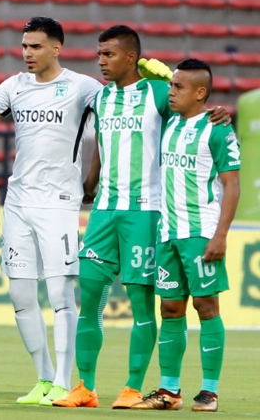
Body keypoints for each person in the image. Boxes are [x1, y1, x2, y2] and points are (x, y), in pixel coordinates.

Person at [54, 27, 230, 409]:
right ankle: (85, 387)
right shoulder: (101, 97)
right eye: (99, 54)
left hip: (146, 213)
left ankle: (133, 387)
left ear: (131, 57)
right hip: (104, 211)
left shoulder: (157, 93)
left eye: (109, 54)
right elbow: (103, 142)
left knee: (143, 304)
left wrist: (218, 112)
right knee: (90, 297)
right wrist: (91, 181)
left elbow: (193, 108)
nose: (101, 61)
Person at [0, 17, 103, 405]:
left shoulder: (82, 87)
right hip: (18, 203)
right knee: (20, 295)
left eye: (35, 46)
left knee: (61, 294)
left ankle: (65, 382)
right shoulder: (15, 86)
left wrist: (93, 176)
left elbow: (118, 117)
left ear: (56, 48)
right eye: (24, 46)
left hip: (59, 204)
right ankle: (45, 378)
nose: (27, 53)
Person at [132, 60, 240, 413]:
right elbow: (159, 85)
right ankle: (169, 391)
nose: (171, 92)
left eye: (179, 87)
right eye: (171, 85)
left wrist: (221, 235)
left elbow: (232, 185)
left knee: (206, 306)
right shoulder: (171, 123)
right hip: (167, 233)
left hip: (201, 232)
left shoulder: (218, 129)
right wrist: (166, 77)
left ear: (200, 93)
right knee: (170, 308)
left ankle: (209, 392)